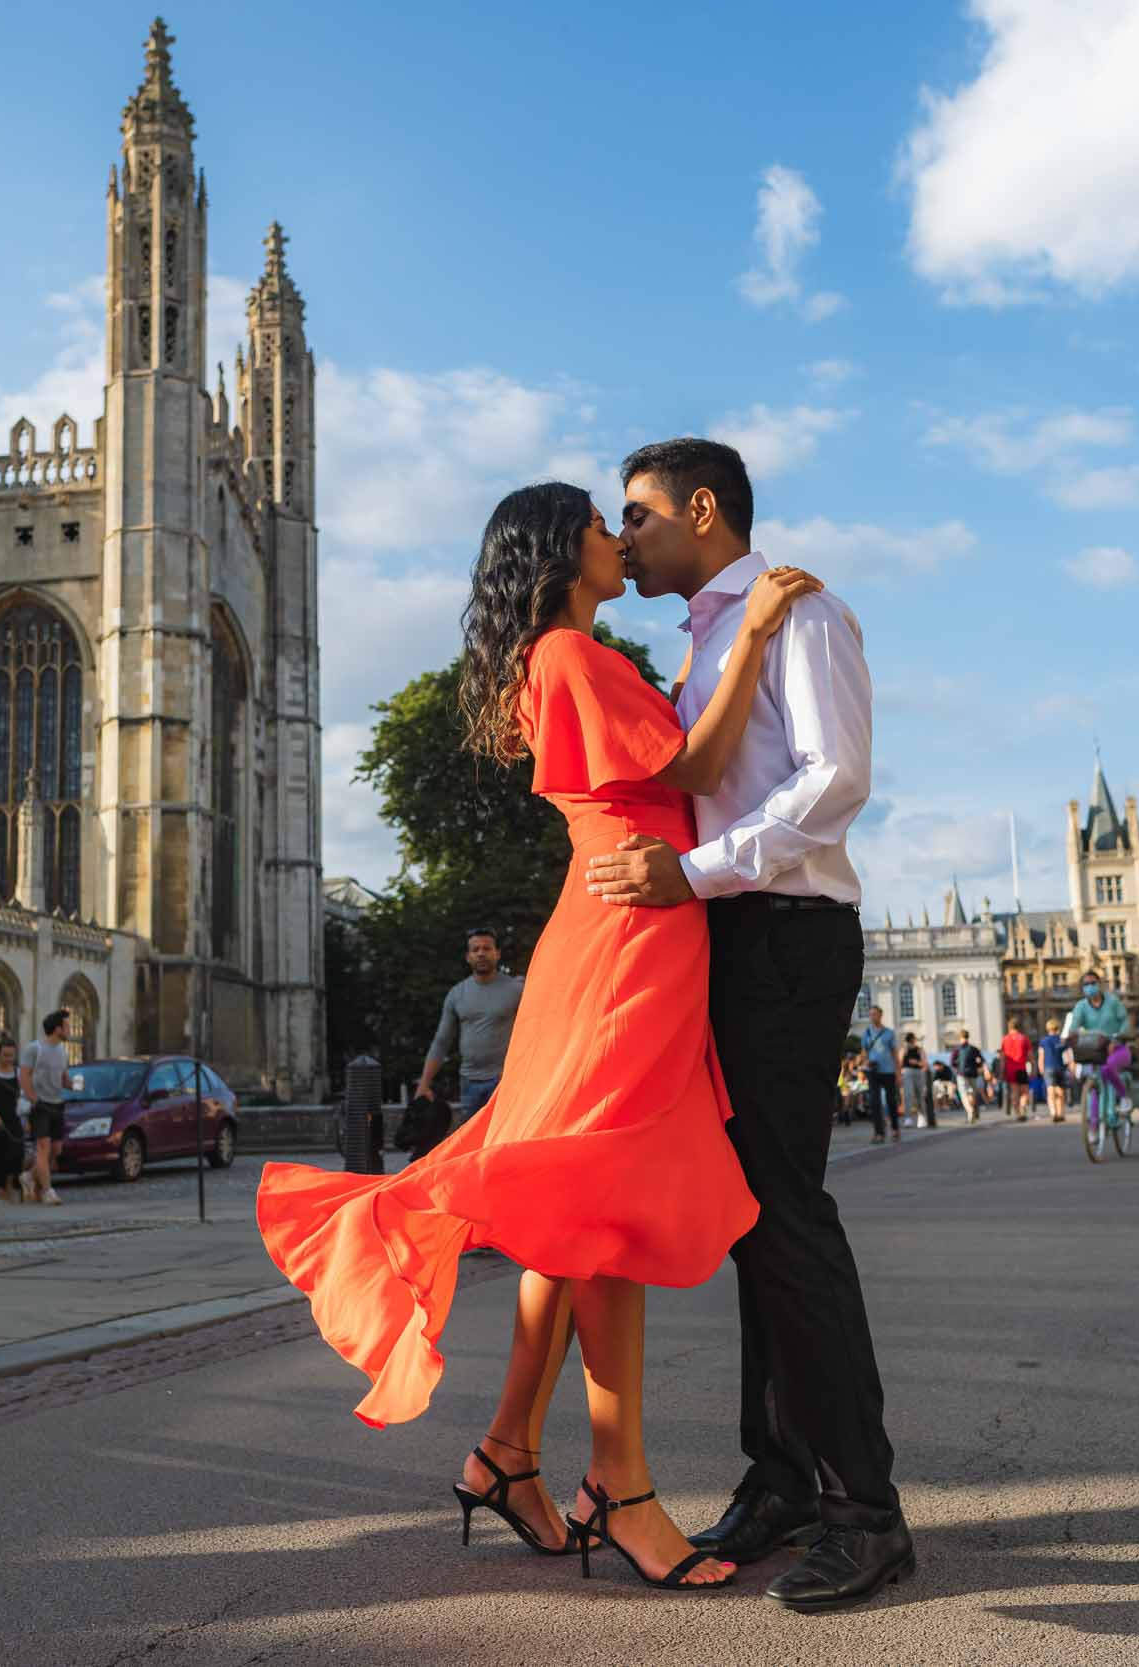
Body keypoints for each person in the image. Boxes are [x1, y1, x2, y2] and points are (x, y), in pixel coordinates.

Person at [256, 478, 821, 1594]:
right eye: (601, 525)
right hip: (627, 937)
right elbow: (695, 772)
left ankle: (510, 1452)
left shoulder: (566, 657)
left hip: (625, 929)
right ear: (562, 548)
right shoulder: (567, 658)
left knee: (574, 1198)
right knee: (599, 1201)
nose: (618, 538)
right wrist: (753, 630)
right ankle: (621, 1483)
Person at [584, 437, 912, 1609]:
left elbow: (834, 779)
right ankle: (778, 1475)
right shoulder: (708, 637)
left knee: (785, 1215)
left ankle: (863, 1510)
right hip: (725, 932)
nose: (624, 533)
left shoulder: (804, 613)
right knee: (747, 1221)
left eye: (638, 512)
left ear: (702, 509)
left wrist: (697, 869)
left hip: (781, 930)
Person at [416, 929, 527, 1126]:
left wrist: (517, 1068)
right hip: (469, 1082)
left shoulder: (515, 989)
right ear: (468, 957)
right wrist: (424, 1083)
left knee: (501, 1139)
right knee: (471, 1145)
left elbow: (533, 1032)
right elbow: (441, 1042)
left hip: (504, 1080)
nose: (481, 953)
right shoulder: (457, 994)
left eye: (487, 948)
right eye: (475, 949)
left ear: (497, 953)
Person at [1061, 973, 1131, 1118]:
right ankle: (1093, 1126)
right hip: (1095, 1050)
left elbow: (1125, 1022)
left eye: (1092, 983)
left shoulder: (1113, 1002)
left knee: (1108, 1067)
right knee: (1094, 1083)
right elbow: (1074, 1026)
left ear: (1099, 984)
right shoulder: (1081, 1006)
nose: (1089, 987)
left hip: (1117, 1047)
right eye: (1086, 984)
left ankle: (1124, 1097)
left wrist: (1118, 1038)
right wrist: (1071, 1036)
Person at [20, 1009, 71, 1207]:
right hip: (40, 1104)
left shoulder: (63, 1051)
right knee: (43, 1148)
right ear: (58, 1028)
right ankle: (48, 1192)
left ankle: (28, 1176)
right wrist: (33, 1099)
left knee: (56, 1150)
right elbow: (24, 1076)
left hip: (57, 1104)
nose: (70, 1030)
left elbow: (63, 1078)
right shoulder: (35, 1049)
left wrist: (73, 1084)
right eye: (67, 1026)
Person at [0, 1038, 29, 1201]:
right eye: (5, 1055)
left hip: (13, 1119)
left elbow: (23, 1098)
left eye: (11, 1055)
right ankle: (0, 1191)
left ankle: (10, 1186)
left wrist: (26, 1119)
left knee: (15, 1155)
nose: (8, 1059)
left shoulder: (18, 1073)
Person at [859, 1006, 897, 1144]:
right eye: (870, 1015)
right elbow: (864, 1052)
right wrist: (865, 1063)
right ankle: (879, 1133)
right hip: (872, 1071)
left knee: (891, 1101)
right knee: (875, 1102)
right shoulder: (867, 1033)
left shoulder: (889, 1033)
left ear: (881, 1015)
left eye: (874, 1014)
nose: (872, 1017)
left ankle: (895, 1129)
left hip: (888, 1071)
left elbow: (894, 1053)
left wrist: (898, 1073)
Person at [949, 1030, 986, 1124]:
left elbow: (952, 1063)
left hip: (962, 1074)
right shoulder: (974, 1049)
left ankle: (970, 1110)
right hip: (973, 1074)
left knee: (963, 1094)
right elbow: (981, 1061)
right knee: (972, 1093)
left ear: (960, 1037)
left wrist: (957, 1069)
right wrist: (978, 1067)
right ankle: (972, 1110)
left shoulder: (957, 1049)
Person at [999, 1019, 1032, 1120]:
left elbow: (1002, 1058)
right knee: (1025, 1092)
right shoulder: (1024, 1038)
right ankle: (1022, 1108)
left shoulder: (1005, 1039)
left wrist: (1001, 1071)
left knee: (1014, 1092)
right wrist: (1033, 1067)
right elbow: (1030, 1056)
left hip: (1010, 1069)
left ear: (1009, 1027)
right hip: (1021, 1068)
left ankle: (1017, 1113)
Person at [901, 1033, 933, 1130]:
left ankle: (922, 1116)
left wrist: (917, 1062)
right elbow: (899, 1061)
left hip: (919, 1072)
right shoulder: (903, 1050)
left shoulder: (919, 1050)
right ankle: (908, 1118)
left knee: (920, 1095)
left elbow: (925, 1063)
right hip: (907, 1072)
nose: (911, 1043)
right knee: (908, 1094)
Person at [1039, 1018, 1068, 1123]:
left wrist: (1041, 1068)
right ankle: (1060, 1113)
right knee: (1060, 1092)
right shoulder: (1061, 1040)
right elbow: (1067, 1055)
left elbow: (1041, 1055)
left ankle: (1053, 1113)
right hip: (1060, 1067)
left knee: (1050, 1092)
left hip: (1048, 1068)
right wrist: (1070, 1067)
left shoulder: (1044, 1041)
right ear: (1058, 1028)